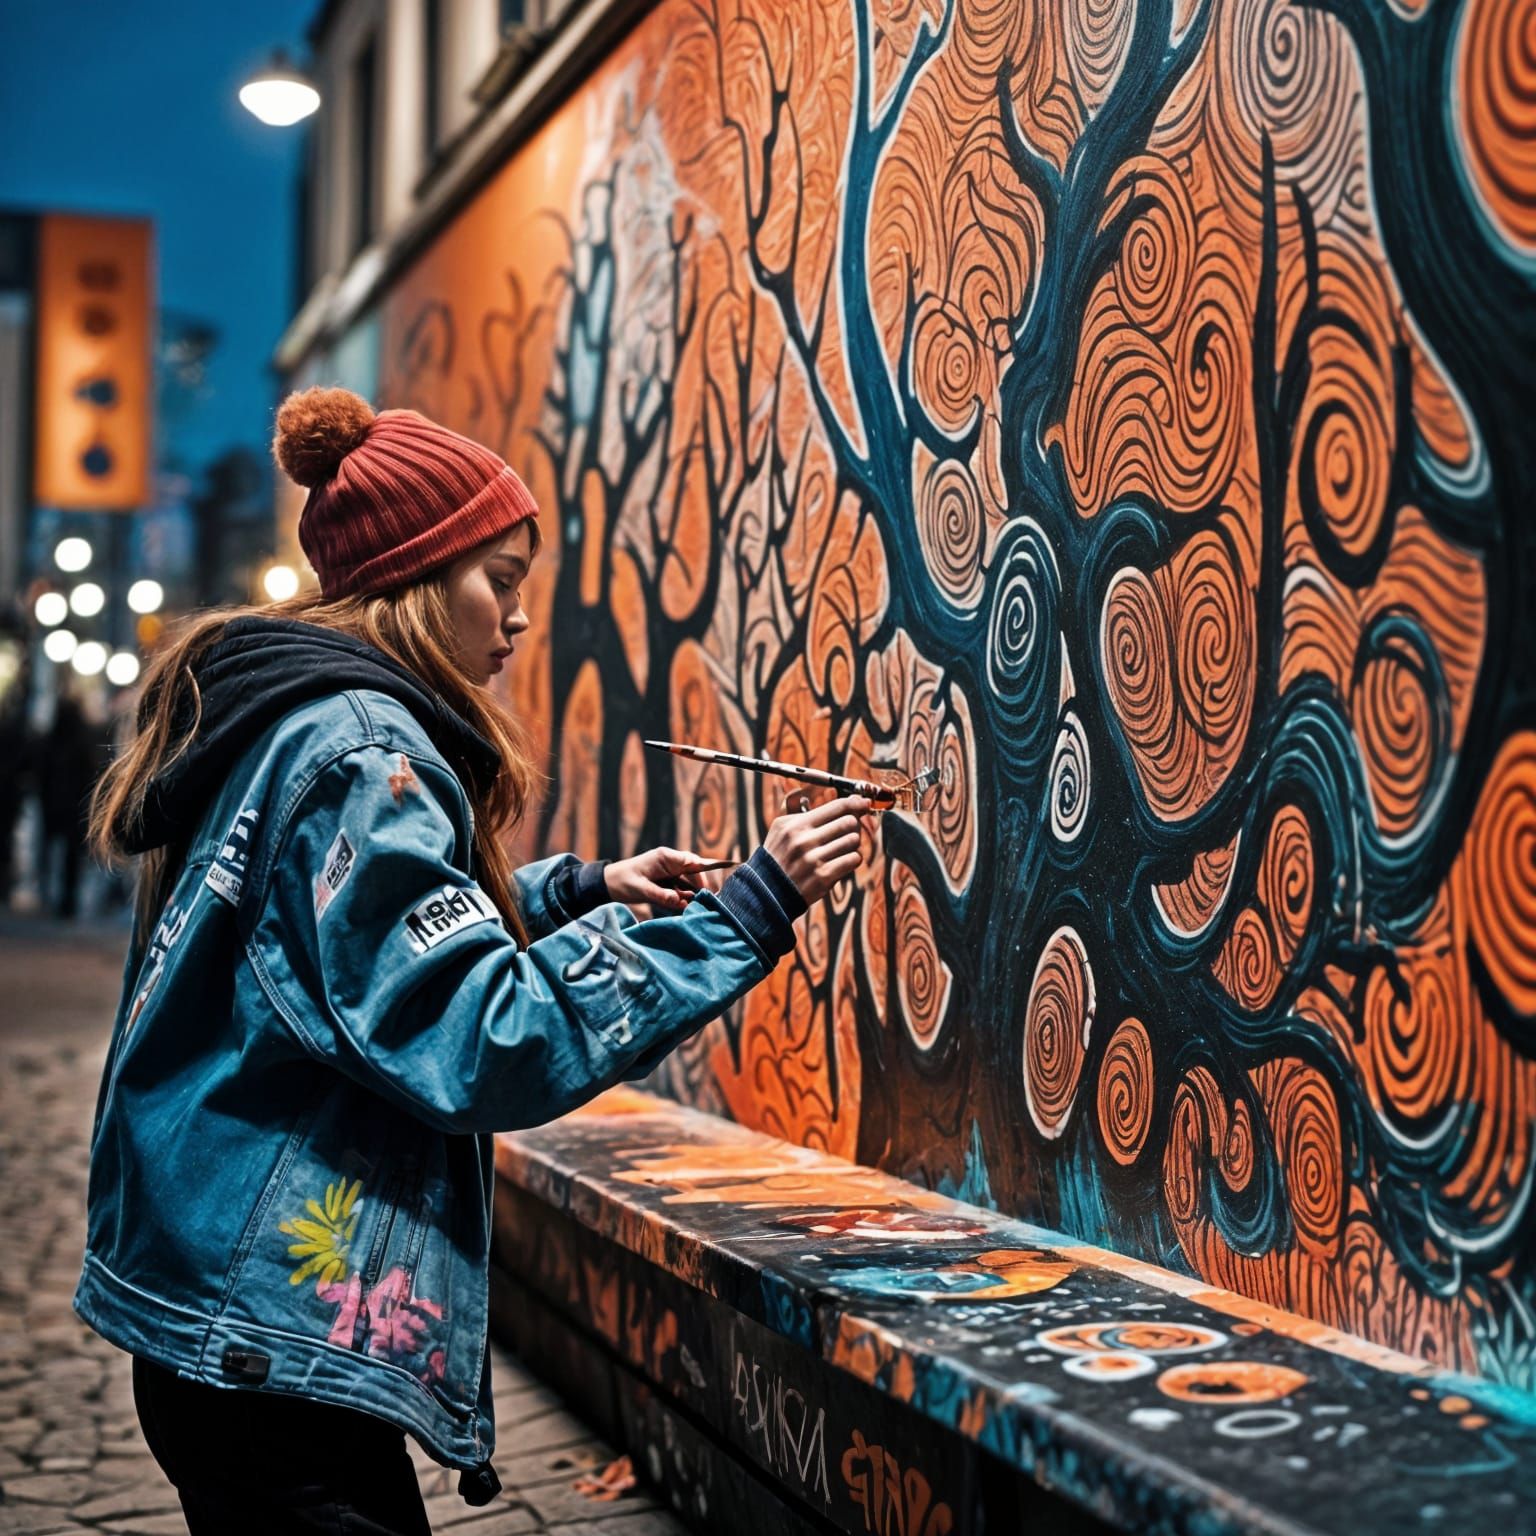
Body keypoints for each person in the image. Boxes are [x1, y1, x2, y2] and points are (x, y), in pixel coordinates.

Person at [76, 386, 870, 1534]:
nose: (517, 617)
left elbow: (332, 952)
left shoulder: (292, 722)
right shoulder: (359, 753)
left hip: (224, 1319)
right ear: (413, 576)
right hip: (266, 1345)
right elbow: (483, 1039)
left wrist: (579, 890)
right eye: (499, 578)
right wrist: (750, 906)